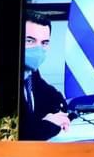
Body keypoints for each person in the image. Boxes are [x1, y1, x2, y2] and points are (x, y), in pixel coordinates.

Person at [20, 10, 71, 141]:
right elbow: (20, 135)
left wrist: (58, 115)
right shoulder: (2, 79)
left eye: (44, 43)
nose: (38, 49)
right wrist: (47, 124)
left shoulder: (31, 72)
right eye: (30, 41)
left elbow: (55, 98)